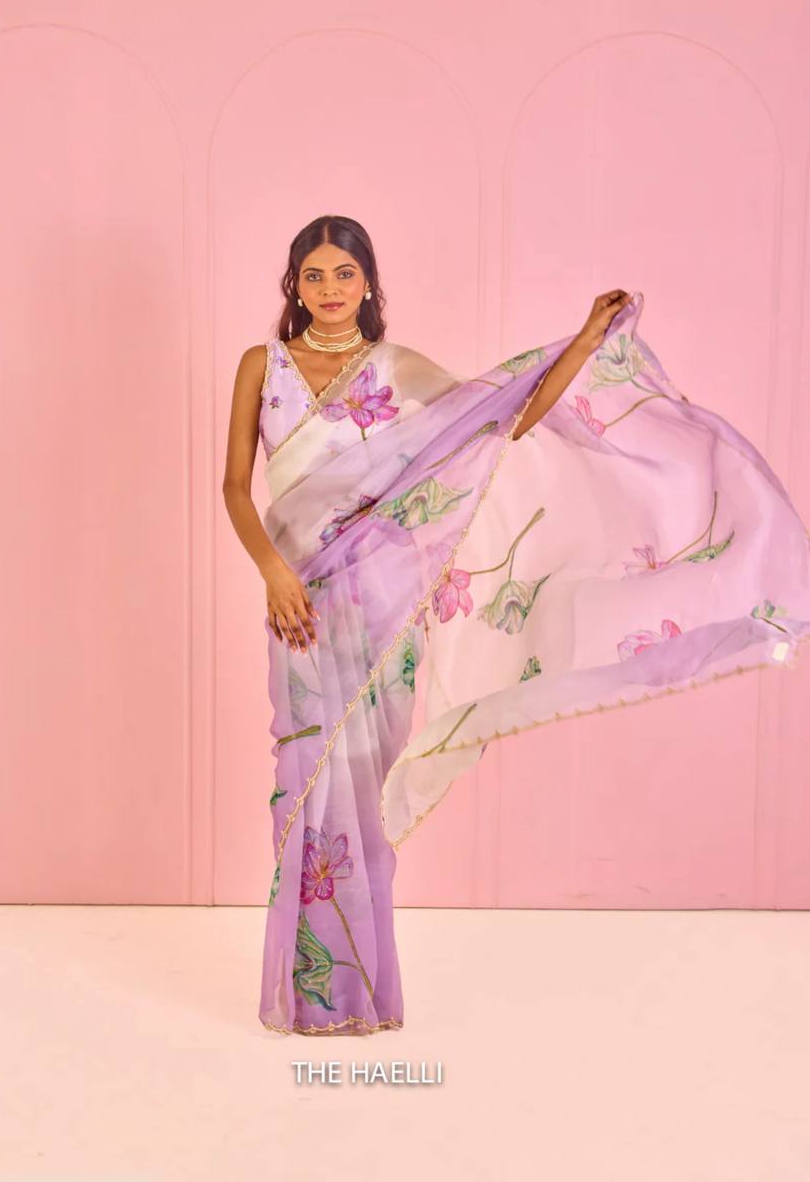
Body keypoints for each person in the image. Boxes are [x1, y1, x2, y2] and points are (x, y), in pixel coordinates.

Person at [222, 214, 810, 1037]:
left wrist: (583, 341)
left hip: (380, 601)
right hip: (296, 601)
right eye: (314, 275)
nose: (329, 289)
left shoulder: (396, 369)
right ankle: (307, 993)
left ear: (367, 283)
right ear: (293, 284)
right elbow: (233, 487)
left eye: (344, 274)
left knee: (358, 784)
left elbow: (506, 419)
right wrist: (274, 573)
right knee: (302, 780)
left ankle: (357, 996)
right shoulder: (263, 365)